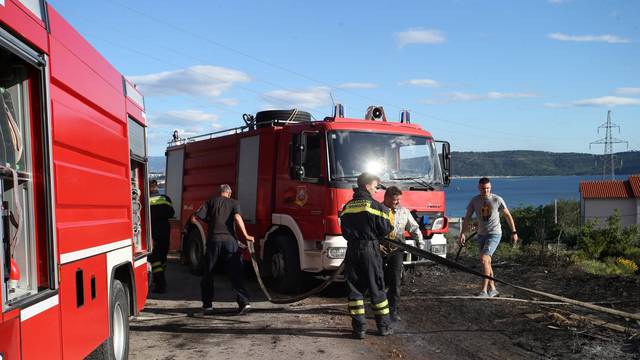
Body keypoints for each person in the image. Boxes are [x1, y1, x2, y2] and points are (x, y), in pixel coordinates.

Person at [340, 172, 394, 339]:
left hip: (352, 249)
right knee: (376, 286)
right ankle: (383, 327)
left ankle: (359, 329)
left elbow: (344, 230)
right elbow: (386, 229)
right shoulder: (376, 206)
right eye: (375, 186)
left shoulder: (348, 206)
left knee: (355, 289)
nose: (377, 190)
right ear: (366, 186)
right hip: (370, 249)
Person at [194, 184, 254, 315]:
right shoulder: (234, 203)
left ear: (220, 192)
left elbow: (196, 217)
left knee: (208, 273)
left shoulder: (211, 202)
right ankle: (244, 303)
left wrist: (210, 224)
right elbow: (238, 218)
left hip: (213, 241)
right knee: (235, 272)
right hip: (230, 241)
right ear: (229, 193)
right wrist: (246, 236)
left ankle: (207, 306)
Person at [458, 177, 518, 297]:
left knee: (484, 259)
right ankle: (493, 289)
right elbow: (467, 217)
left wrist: (514, 232)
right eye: (483, 188)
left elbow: (507, 215)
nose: (486, 190)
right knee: (487, 262)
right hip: (481, 234)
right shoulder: (474, 200)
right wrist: (462, 233)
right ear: (479, 188)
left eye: (488, 188)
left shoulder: (497, 199)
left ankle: (483, 290)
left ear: (490, 188)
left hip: (495, 233)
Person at [381, 186, 424, 322]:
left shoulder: (404, 212)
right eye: (395, 200)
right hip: (379, 250)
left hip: (396, 250)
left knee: (395, 281)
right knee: (378, 280)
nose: (397, 203)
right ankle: (380, 309)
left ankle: (392, 310)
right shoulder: (378, 210)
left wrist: (420, 245)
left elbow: (414, 228)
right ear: (387, 198)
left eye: (399, 200)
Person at [149, 179, 174, 293]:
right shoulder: (165, 199)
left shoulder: (146, 199)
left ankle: (160, 285)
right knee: (163, 256)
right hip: (165, 229)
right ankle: (160, 279)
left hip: (153, 230)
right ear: (157, 186)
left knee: (155, 259)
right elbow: (171, 213)